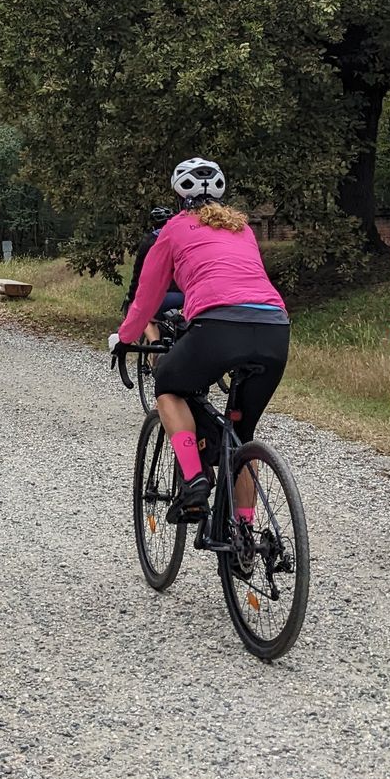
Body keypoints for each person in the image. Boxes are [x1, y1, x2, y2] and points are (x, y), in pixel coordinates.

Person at [111, 158, 289, 526]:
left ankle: (194, 482)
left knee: (168, 385)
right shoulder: (243, 228)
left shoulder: (173, 229)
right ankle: (245, 533)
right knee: (241, 436)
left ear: (178, 197)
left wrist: (124, 339)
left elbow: (146, 298)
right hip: (274, 327)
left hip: (218, 325)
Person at [121, 204, 184, 331]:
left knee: (145, 317)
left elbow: (138, 273)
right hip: (187, 295)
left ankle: (155, 342)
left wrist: (133, 297)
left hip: (163, 295)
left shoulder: (149, 242)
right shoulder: (183, 239)